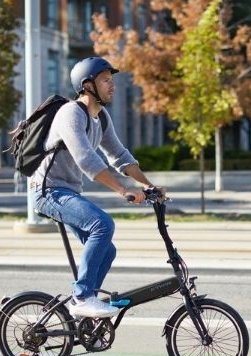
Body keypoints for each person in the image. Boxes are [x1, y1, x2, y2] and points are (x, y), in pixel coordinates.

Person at [32, 57, 161, 319]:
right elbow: (86, 159)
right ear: (87, 85)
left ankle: (83, 306)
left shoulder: (100, 117)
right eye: (105, 80)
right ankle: (82, 297)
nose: (112, 85)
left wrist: (149, 185)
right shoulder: (71, 113)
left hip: (67, 192)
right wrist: (123, 190)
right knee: (102, 224)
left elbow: (120, 156)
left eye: (112, 80)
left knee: (108, 249)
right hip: (48, 191)